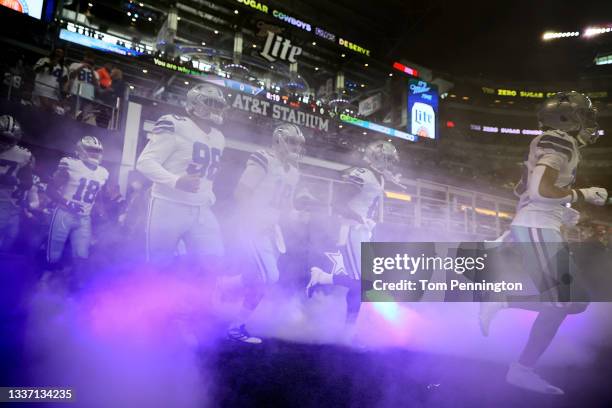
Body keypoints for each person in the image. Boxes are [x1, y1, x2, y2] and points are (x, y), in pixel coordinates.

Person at [479, 91, 608, 395]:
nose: (589, 122)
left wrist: (563, 209)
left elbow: (524, 191)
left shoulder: (555, 141)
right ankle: (521, 370)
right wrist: (582, 195)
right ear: (567, 118)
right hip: (536, 226)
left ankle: (503, 302)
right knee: (563, 301)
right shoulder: (559, 142)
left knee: (577, 302)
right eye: (584, 115)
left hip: (540, 223)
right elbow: (538, 191)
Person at [306, 140, 401, 343]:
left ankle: (349, 331)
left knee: (363, 284)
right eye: (388, 160)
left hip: (363, 233)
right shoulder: (362, 175)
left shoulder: (377, 177)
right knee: (361, 283)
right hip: (351, 230)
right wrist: (359, 218)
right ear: (377, 158)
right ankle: (322, 278)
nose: (391, 165)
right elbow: (337, 203)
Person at [227, 123, 305, 344]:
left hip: (272, 230)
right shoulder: (264, 159)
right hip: (254, 226)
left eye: (298, 143)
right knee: (269, 277)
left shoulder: (294, 172)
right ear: (279, 140)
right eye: (292, 141)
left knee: (257, 277)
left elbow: (286, 204)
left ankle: (226, 285)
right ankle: (236, 327)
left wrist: (296, 214)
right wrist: (252, 219)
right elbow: (240, 192)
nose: (296, 147)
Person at [136, 83, 227, 269]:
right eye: (211, 102)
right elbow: (145, 162)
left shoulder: (219, 137)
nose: (216, 108)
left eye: (219, 104)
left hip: (201, 209)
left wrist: (208, 195)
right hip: (169, 206)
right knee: (159, 266)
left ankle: (198, 298)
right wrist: (175, 181)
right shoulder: (174, 123)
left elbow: (209, 176)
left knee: (214, 262)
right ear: (195, 103)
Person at [46, 136, 108, 287]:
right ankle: (44, 283)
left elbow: (97, 195)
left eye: (97, 151)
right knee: (54, 253)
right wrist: (67, 203)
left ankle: (75, 288)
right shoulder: (70, 164)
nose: (94, 154)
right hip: (64, 214)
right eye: (91, 151)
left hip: (84, 218)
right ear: (81, 151)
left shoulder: (103, 172)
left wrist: (101, 211)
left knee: (81, 255)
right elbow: (50, 190)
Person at [0, 115, 33, 251]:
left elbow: (28, 182)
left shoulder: (23, 155)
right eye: (1, 138)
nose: (4, 143)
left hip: (7, 201)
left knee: (10, 236)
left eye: (8, 140)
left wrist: (16, 181)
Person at [32, 48, 68, 113]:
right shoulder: (44, 60)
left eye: (61, 53)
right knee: (42, 109)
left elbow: (65, 81)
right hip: (40, 89)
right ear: (54, 52)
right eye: (57, 51)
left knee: (47, 112)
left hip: (53, 94)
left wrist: (63, 94)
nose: (58, 54)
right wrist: (47, 64)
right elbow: (35, 70)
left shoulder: (64, 68)